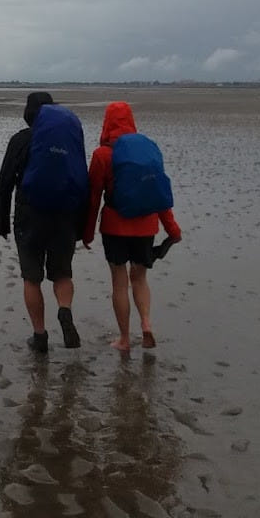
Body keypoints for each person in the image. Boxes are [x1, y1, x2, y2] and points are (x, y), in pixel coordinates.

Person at [82, 101, 182, 352]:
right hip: (146, 227)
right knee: (139, 278)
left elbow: (93, 197)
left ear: (107, 123)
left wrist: (87, 232)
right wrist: (172, 230)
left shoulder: (102, 155)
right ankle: (146, 324)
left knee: (119, 281)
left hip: (115, 227)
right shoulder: (148, 150)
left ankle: (125, 339)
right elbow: (157, 193)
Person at [0, 91, 84, 353]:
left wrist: (2, 222)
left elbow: (5, 183)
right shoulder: (69, 140)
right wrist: (81, 225)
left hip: (29, 215)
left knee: (31, 277)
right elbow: (80, 179)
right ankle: (65, 311)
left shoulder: (20, 140)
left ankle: (40, 335)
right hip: (65, 215)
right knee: (63, 273)